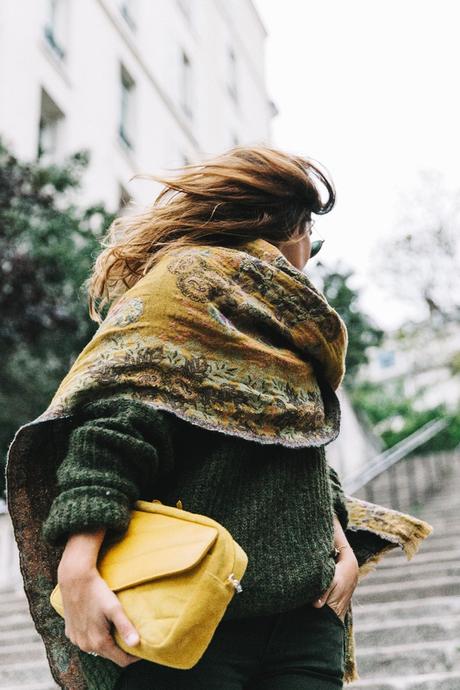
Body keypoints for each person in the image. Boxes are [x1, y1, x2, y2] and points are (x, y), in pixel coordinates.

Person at [5, 144, 433, 690]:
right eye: (312, 242)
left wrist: (340, 544)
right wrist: (78, 563)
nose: (310, 259)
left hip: (306, 622)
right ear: (294, 229)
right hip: (189, 620)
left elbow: (298, 441)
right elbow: (112, 435)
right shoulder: (181, 288)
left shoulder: (287, 314)